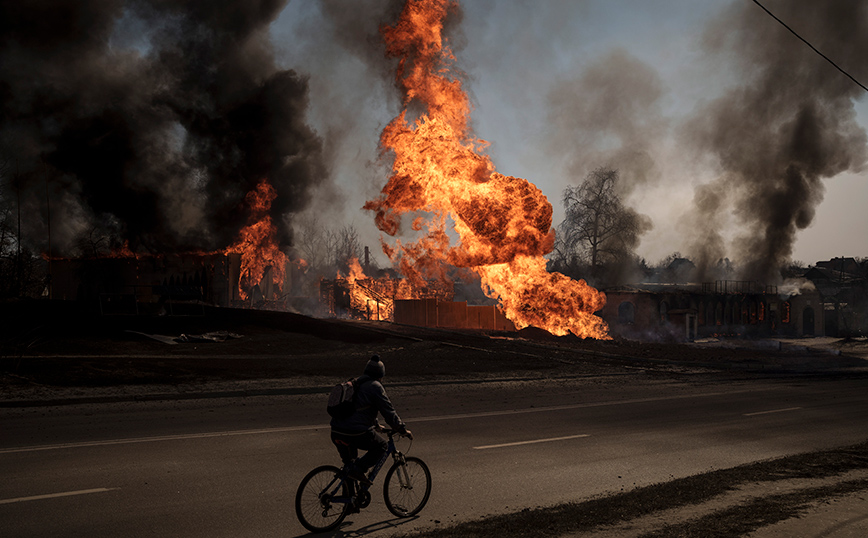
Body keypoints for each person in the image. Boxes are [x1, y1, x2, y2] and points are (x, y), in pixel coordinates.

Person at [330, 354, 412, 486]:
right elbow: (388, 411)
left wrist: (376, 425)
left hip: (336, 431)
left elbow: (360, 409)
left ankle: (350, 503)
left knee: (349, 467)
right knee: (382, 446)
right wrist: (401, 429)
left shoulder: (356, 382)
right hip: (354, 433)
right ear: (380, 375)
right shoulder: (375, 386)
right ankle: (359, 470)